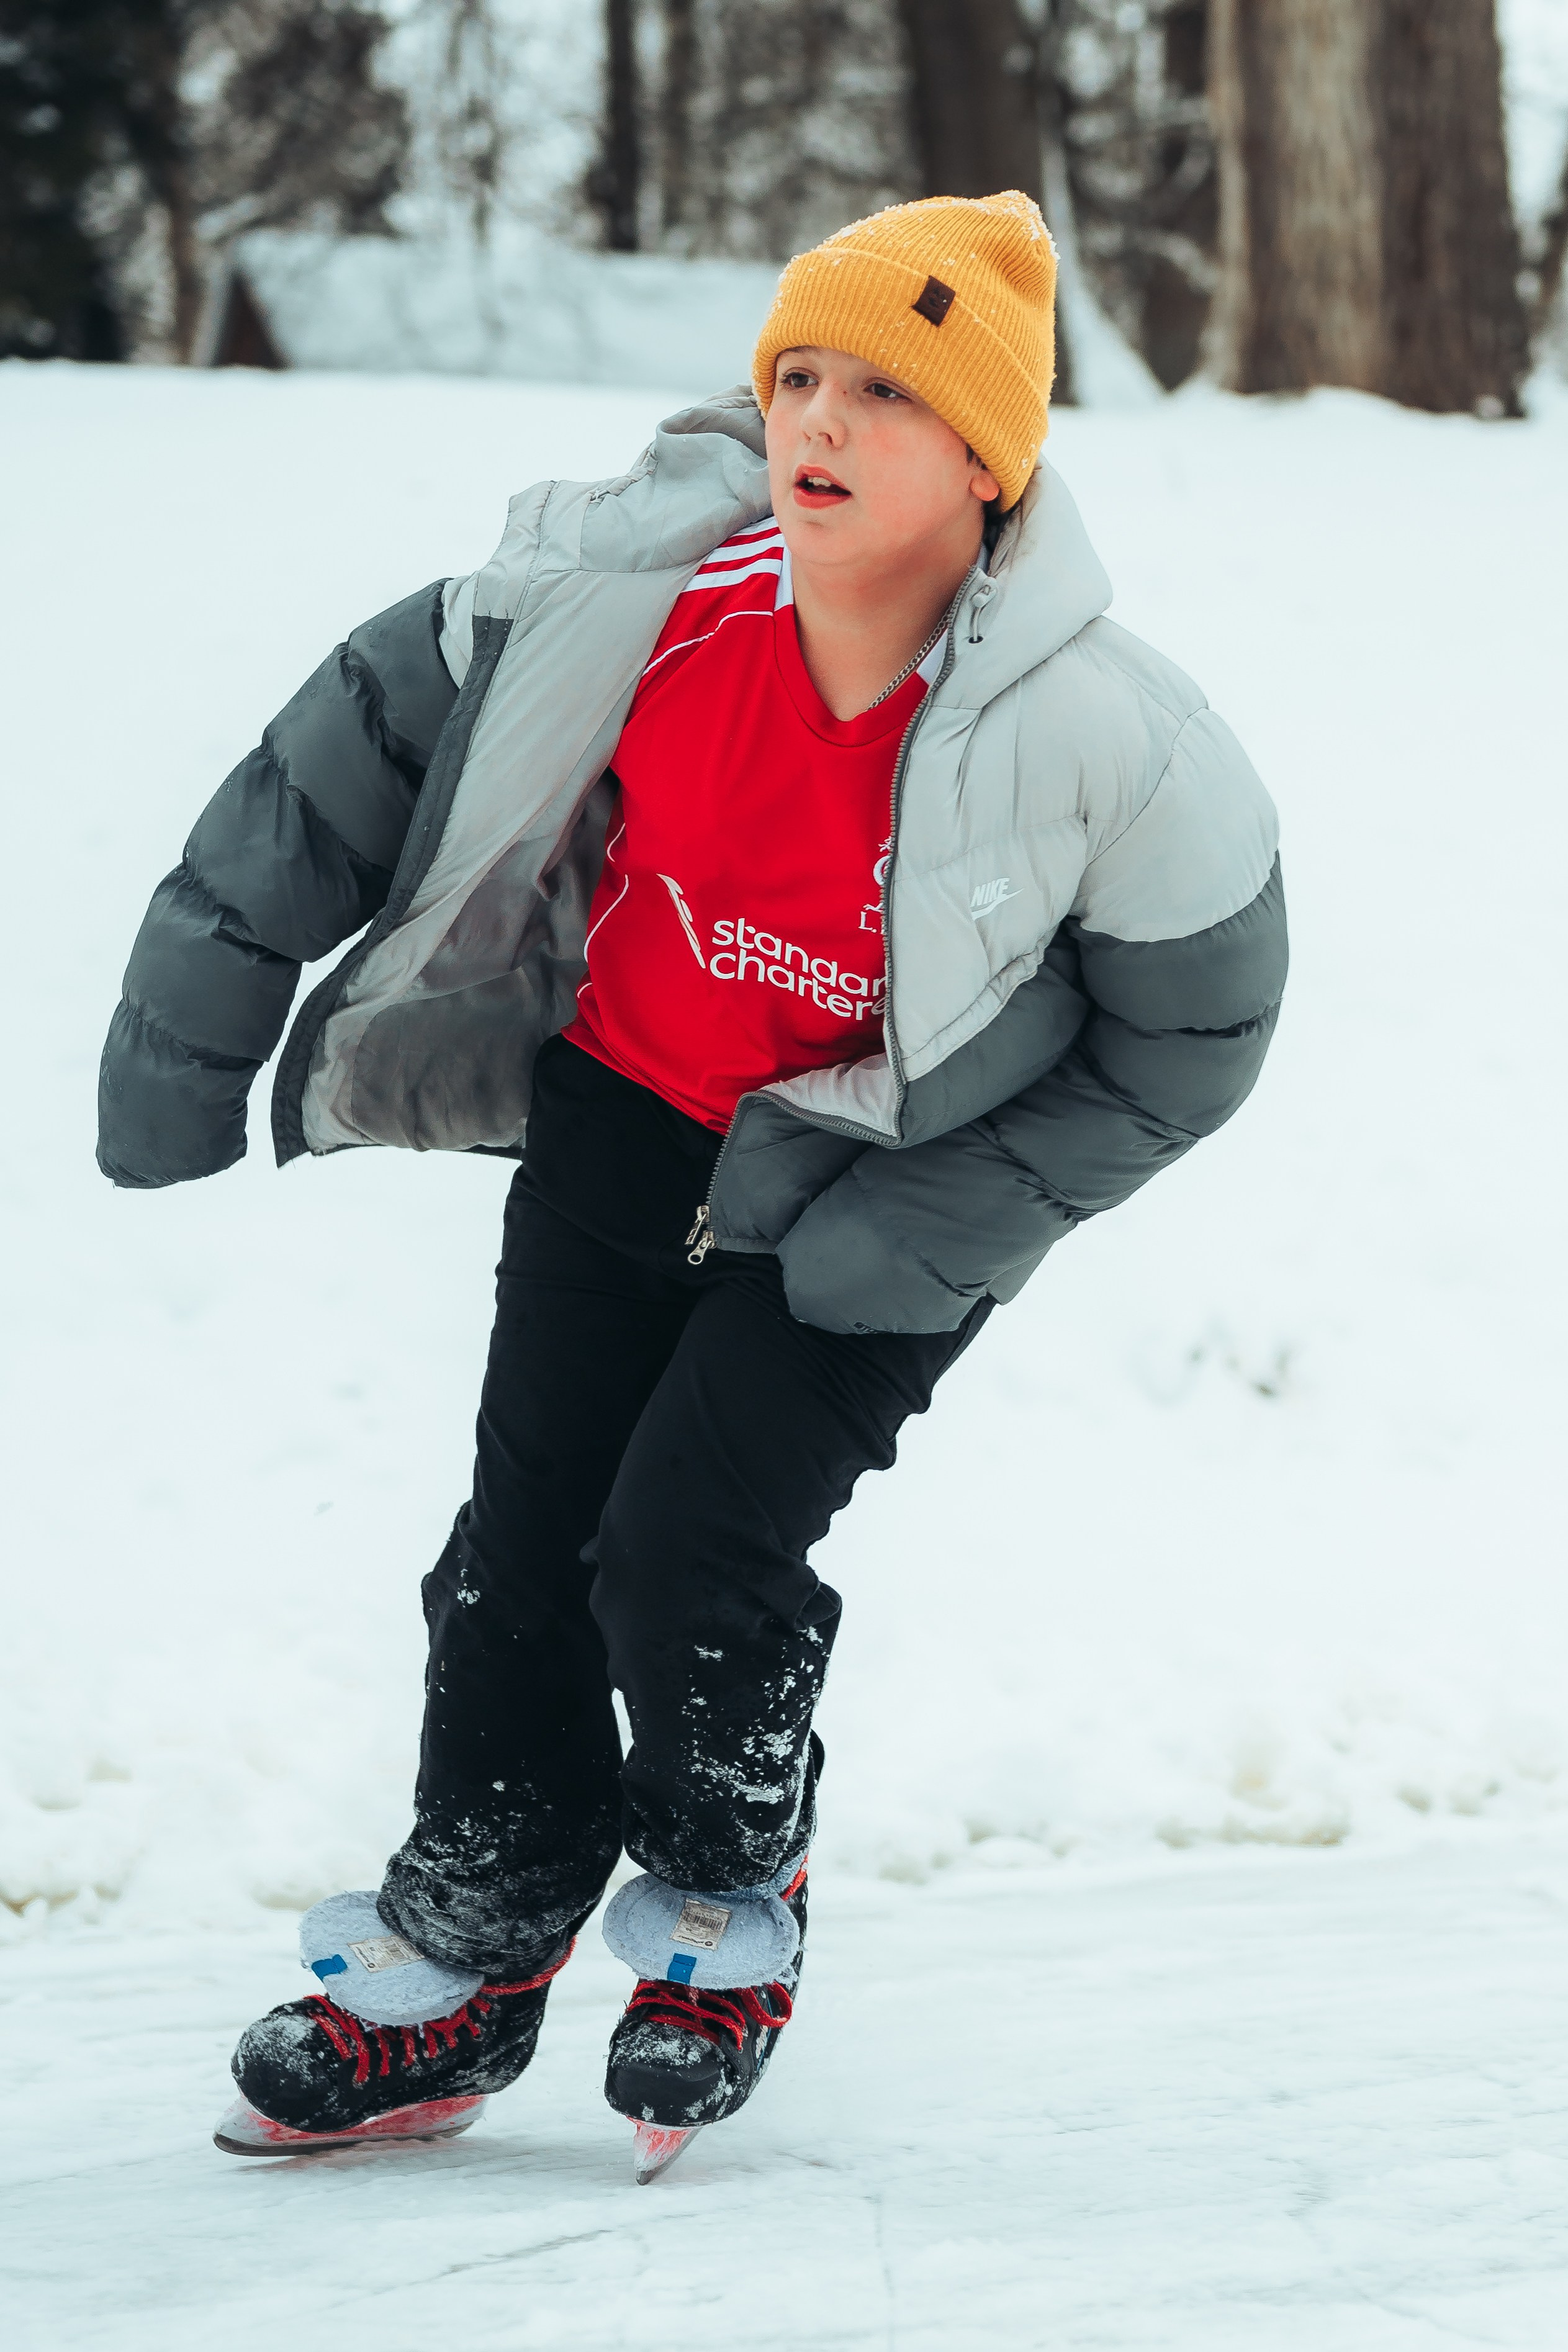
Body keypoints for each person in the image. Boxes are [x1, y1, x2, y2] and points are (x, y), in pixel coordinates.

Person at [98, 191, 1287, 2178]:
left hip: (876, 1189)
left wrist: (945, 1223)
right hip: (622, 1122)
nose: (817, 419)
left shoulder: (1111, 735)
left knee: (682, 1549)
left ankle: (731, 1905)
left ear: (989, 460)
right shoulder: (643, 600)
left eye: (886, 392)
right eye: (797, 376)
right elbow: (324, 771)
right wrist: (185, 1044)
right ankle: (466, 1952)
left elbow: (1202, 1035)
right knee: (518, 1549)